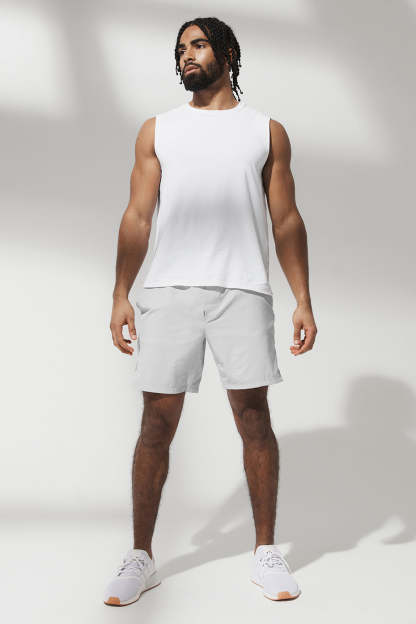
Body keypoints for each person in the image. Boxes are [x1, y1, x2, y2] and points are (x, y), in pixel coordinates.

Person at [105, 16, 317, 607]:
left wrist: (303, 299)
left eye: (198, 45)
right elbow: (137, 216)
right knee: (156, 423)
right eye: (180, 49)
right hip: (168, 290)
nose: (187, 56)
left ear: (226, 53)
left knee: (253, 417)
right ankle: (141, 556)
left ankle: (265, 551)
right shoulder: (158, 130)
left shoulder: (265, 131)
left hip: (242, 288)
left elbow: (286, 220)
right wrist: (121, 293)